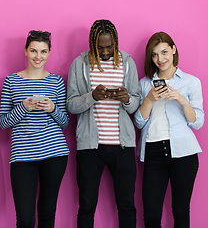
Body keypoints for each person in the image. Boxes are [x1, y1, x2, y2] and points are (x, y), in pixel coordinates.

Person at [67, 19, 139, 228]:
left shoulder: (127, 62)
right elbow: (71, 105)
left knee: (126, 205)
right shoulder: (79, 64)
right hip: (90, 147)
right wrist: (92, 97)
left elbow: (135, 105)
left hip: (123, 145)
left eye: (110, 47)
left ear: (116, 43)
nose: (106, 51)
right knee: (87, 205)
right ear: (92, 44)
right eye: (100, 47)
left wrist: (127, 99)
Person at [0, 30, 69, 228]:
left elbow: (65, 122)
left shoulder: (56, 81)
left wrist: (53, 109)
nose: (38, 56)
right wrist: (23, 107)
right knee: (25, 218)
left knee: (47, 214)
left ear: (49, 52)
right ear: (26, 51)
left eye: (43, 51)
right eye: (34, 51)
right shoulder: (11, 81)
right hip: (22, 156)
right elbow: (3, 122)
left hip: (54, 154)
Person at [134, 32, 204, 228]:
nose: (160, 59)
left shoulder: (191, 82)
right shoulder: (144, 83)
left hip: (184, 152)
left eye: (164, 52)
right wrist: (148, 99)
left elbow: (197, 122)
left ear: (173, 50)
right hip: (154, 152)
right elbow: (139, 123)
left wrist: (182, 100)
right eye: (154, 55)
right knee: (151, 216)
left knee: (181, 212)